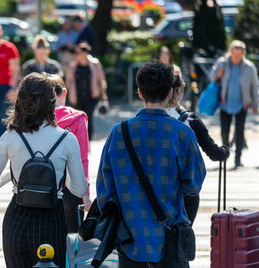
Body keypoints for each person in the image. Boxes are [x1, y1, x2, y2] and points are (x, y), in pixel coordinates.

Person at [97, 61, 206, 267]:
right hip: (171, 240)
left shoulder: (118, 133)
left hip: (130, 240)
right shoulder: (182, 133)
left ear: (139, 92)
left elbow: (105, 191)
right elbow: (193, 185)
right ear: (171, 92)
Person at [0, 73, 87, 267]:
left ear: (20, 101)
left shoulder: (10, 136)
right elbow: (80, 190)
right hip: (52, 219)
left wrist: (11, 177)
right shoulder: (66, 139)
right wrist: (62, 177)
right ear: (51, 102)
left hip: (17, 217)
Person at [167, 70, 230, 224]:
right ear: (179, 90)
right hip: (184, 192)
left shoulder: (141, 122)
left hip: (150, 191)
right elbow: (214, 153)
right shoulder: (190, 120)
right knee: (182, 234)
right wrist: (225, 151)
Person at [49, 74, 91, 233]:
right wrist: (86, 193)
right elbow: (82, 158)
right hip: (72, 185)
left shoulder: (37, 118)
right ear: (64, 92)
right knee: (72, 238)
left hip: (45, 184)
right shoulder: (78, 118)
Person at [212, 40, 258, 169]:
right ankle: (224, 156)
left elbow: (254, 87)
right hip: (225, 103)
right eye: (234, 54)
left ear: (243, 54)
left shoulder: (249, 67)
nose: (236, 57)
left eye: (239, 54)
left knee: (239, 131)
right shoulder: (222, 63)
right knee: (224, 131)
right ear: (230, 52)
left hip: (242, 104)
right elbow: (212, 77)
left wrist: (255, 104)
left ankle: (238, 159)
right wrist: (218, 74)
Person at [66, 42, 107, 140]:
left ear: (85, 53)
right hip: (77, 97)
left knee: (88, 118)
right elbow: (69, 81)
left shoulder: (95, 64)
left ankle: (88, 142)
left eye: (77, 53)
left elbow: (101, 80)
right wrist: (69, 92)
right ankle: (80, 141)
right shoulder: (73, 65)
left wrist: (104, 95)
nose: (75, 55)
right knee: (78, 120)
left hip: (91, 97)